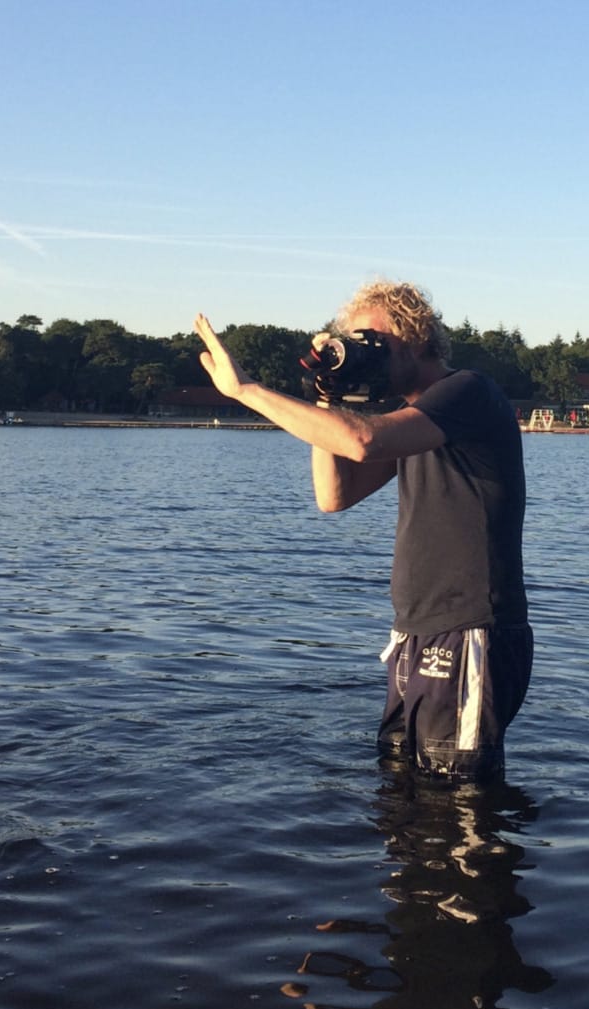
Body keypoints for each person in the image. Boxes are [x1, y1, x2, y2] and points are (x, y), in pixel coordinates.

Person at [194, 281, 530, 780]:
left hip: (469, 631)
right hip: (416, 632)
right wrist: (327, 398)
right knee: (401, 791)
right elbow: (334, 496)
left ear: (415, 337)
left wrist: (248, 391)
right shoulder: (418, 422)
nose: (360, 353)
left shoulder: (468, 393)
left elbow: (363, 441)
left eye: (370, 342)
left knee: (458, 802)